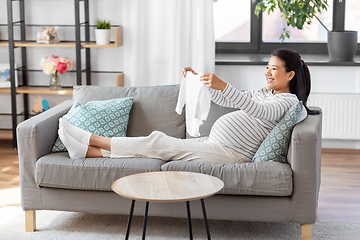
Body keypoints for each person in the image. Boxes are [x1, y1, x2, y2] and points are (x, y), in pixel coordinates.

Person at [58, 48, 319, 164]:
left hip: (231, 155)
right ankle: (86, 152)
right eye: (267, 68)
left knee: (156, 142)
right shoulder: (265, 91)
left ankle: (92, 139)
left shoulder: (287, 101)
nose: (268, 73)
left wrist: (225, 85)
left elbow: (258, 111)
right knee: (155, 146)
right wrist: (200, 81)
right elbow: (228, 100)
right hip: (214, 144)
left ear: (290, 75)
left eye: (273, 69)